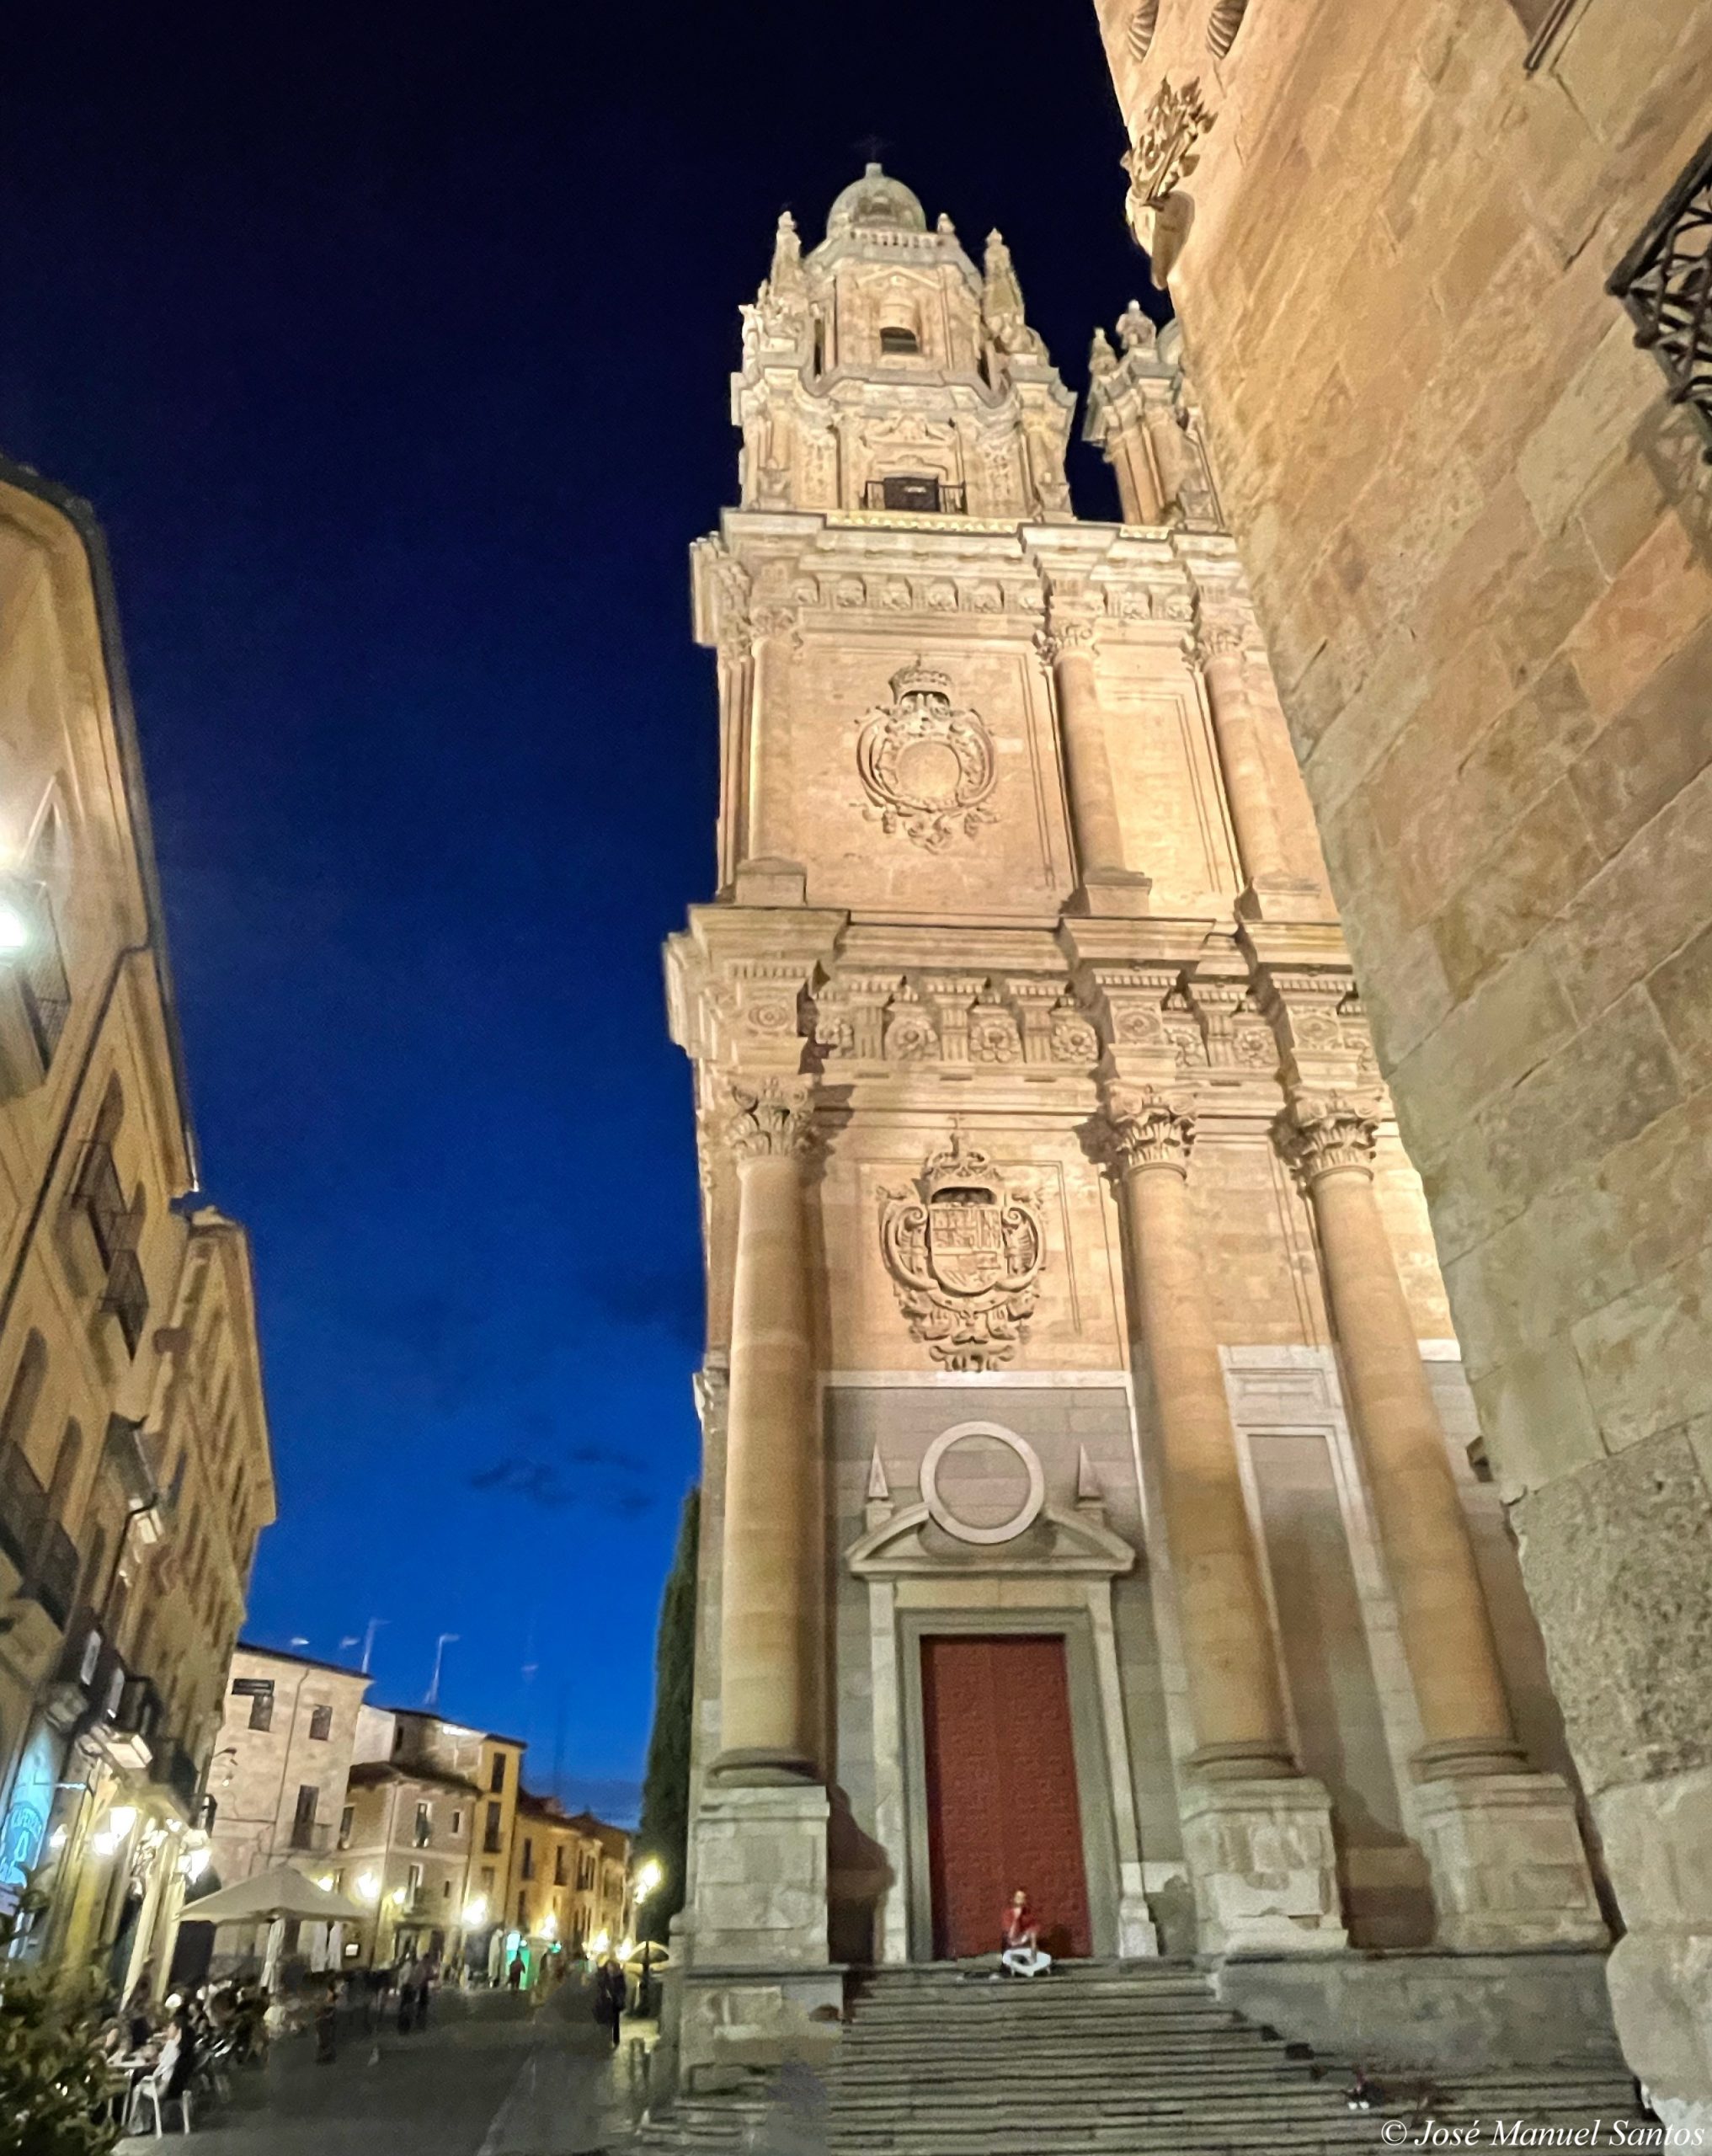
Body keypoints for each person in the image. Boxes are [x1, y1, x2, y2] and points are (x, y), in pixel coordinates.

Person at [1000, 1888, 1052, 1977]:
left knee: (1047, 1958)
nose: (1020, 1900)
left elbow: (1033, 1941)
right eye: (1018, 1897)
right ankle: (1028, 1970)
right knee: (1006, 1958)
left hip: (1027, 1951)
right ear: (1013, 1899)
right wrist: (1016, 1918)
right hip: (1012, 1951)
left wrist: (1033, 1958)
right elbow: (1011, 1936)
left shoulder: (1030, 1917)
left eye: (1022, 1898)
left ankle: (1028, 1970)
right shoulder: (1008, 1914)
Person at [593, 1953, 627, 2049]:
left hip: (615, 2002)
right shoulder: (604, 1976)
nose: (610, 1968)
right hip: (605, 2003)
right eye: (609, 1966)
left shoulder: (618, 1976)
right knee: (606, 2022)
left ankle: (614, 2039)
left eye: (611, 1966)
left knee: (614, 2021)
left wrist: (619, 1998)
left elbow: (622, 1988)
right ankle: (606, 2040)